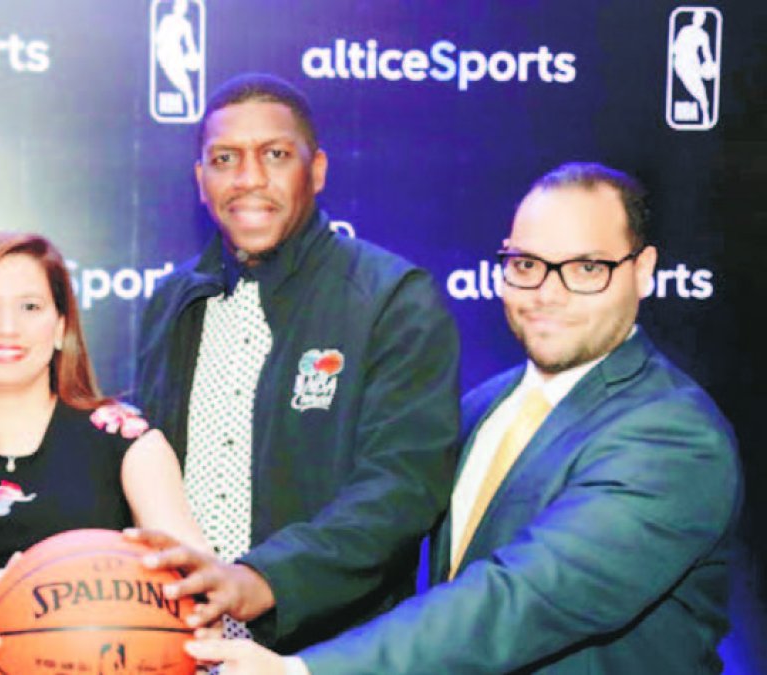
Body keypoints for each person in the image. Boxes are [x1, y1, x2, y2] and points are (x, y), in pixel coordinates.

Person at [185, 162, 742, 674]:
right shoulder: (486, 405)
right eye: (526, 264)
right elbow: (381, 520)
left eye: (586, 267)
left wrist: (306, 673)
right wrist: (258, 580)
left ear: (642, 271)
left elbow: (523, 596)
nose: (547, 293)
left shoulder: (674, 437)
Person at [131, 72, 461, 653]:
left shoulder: (391, 298)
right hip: (179, 647)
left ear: (317, 171)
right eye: (225, 158)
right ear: (200, 181)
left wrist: (264, 579)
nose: (248, 178)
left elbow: (402, 487)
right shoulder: (172, 301)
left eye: (275, 155)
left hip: (332, 652)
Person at [0, 233, 205, 598]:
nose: (7, 328)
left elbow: (193, 567)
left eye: (30, 307)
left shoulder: (130, 440)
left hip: (104, 649)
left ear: (61, 327)